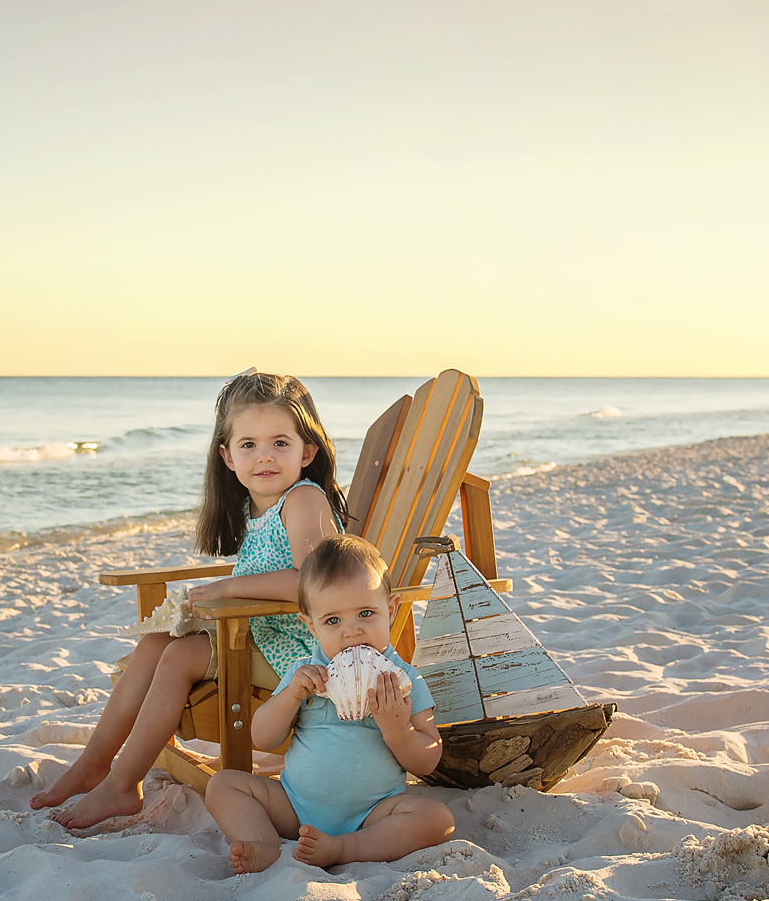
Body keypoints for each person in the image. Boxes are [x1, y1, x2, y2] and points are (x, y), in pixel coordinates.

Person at [31, 370, 345, 830]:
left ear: (308, 451)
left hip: (300, 649)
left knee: (179, 657)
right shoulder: (257, 506)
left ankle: (120, 784)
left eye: (280, 442)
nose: (265, 457)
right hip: (258, 630)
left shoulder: (303, 500)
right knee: (158, 638)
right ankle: (95, 762)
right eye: (249, 445)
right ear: (227, 456)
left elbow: (319, 585)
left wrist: (226, 588)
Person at [204, 534, 456, 872]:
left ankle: (343, 848)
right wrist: (291, 697)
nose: (351, 631)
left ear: (391, 610)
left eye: (366, 613)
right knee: (223, 784)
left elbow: (428, 760)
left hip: (375, 813)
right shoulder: (304, 675)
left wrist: (398, 731)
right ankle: (266, 845)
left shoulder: (403, 680)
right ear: (310, 624)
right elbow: (262, 738)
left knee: (438, 819)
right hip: (295, 807)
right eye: (333, 621)